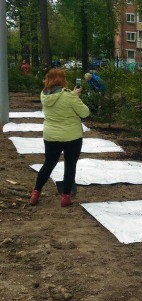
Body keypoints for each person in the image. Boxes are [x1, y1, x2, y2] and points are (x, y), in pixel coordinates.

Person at [29, 69, 90, 207]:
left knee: (48, 164)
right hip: (72, 137)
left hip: (50, 136)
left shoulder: (43, 95)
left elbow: (58, 102)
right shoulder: (69, 96)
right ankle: (66, 197)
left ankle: (35, 194)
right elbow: (85, 113)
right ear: (62, 79)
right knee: (70, 165)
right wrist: (76, 96)